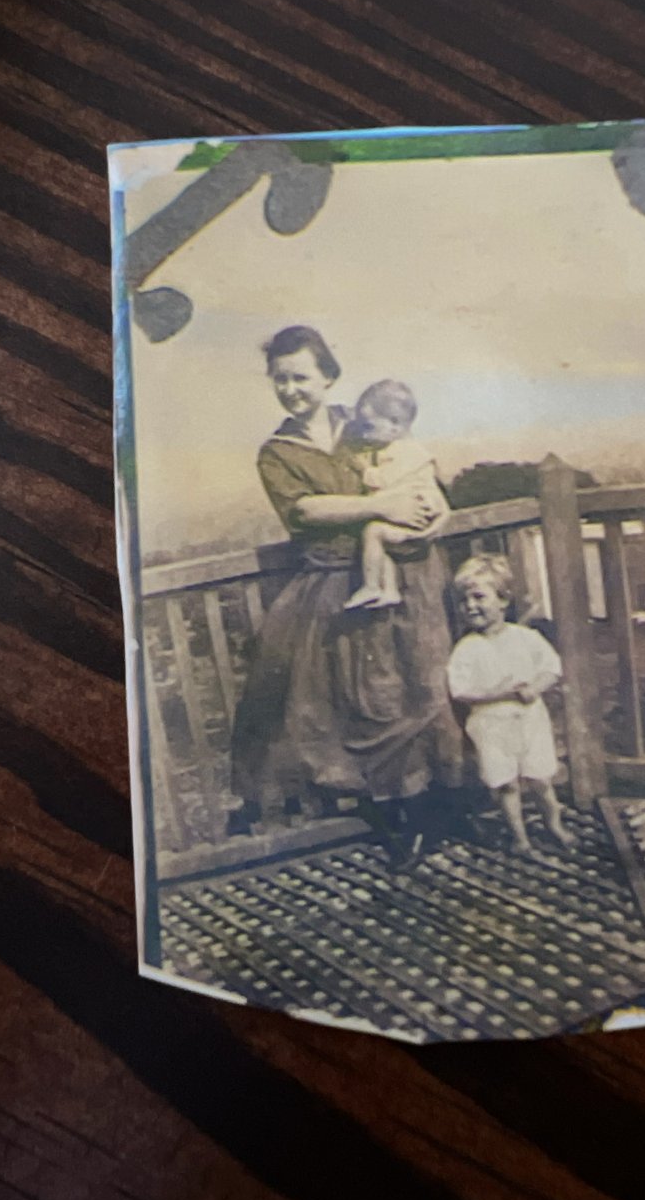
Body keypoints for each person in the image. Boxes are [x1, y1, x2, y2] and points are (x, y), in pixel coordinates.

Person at [226, 325, 466, 869]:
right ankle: (398, 820)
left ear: (328, 376)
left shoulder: (361, 424)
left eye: (302, 376)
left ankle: (445, 808)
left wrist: (435, 511)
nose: (291, 388)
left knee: (423, 684)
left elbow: (417, 474)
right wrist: (385, 507)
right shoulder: (277, 452)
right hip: (340, 582)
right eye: (280, 379)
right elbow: (305, 511)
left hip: (407, 574)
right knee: (370, 698)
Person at [447, 554, 574, 855]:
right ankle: (520, 838)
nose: (471, 606)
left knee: (541, 780)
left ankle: (554, 826)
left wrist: (536, 687)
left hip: (529, 721)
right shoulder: (467, 649)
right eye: (464, 601)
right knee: (507, 785)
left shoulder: (525, 638)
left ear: (503, 600)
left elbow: (552, 667)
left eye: (479, 597)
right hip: (491, 726)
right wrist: (498, 692)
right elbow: (460, 691)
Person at [342, 379, 449, 611]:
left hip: (419, 520)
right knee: (381, 541)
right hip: (412, 519)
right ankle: (389, 590)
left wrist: (361, 468)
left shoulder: (405, 453)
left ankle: (371, 585)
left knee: (372, 532)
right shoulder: (396, 448)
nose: (363, 434)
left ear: (395, 425)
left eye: (368, 427)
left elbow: (381, 483)